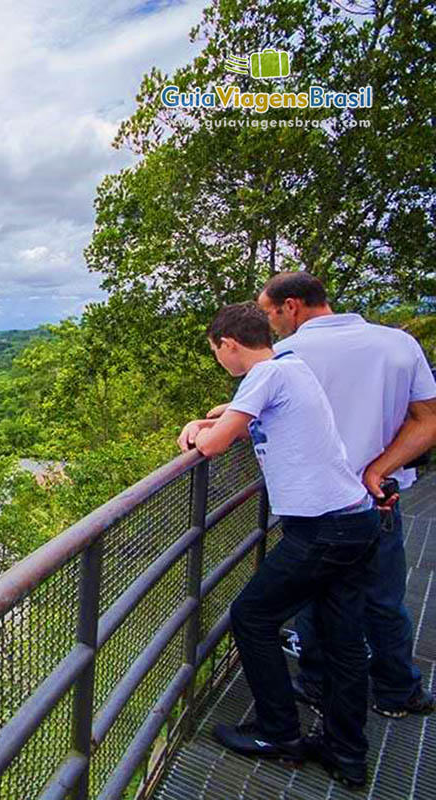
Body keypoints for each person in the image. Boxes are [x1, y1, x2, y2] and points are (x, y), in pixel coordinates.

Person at [209, 272, 436, 719]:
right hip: (376, 495)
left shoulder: (287, 356)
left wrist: (208, 424)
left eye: (271, 313)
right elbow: (427, 418)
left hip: (318, 504)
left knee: (320, 603)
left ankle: (315, 685)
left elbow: (245, 414)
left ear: (290, 306)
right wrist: (379, 469)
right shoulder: (398, 343)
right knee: (385, 597)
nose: (270, 326)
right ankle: (397, 689)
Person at [178, 302, 380, 787]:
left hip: (323, 530)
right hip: (354, 520)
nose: (219, 362)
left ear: (228, 344)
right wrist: (222, 415)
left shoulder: (267, 374)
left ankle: (278, 732)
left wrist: (196, 430)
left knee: (252, 615)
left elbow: (213, 444)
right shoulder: (292, 368)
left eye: (216, 353)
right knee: (343, 640)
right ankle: (346, 753)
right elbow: (244, 416)